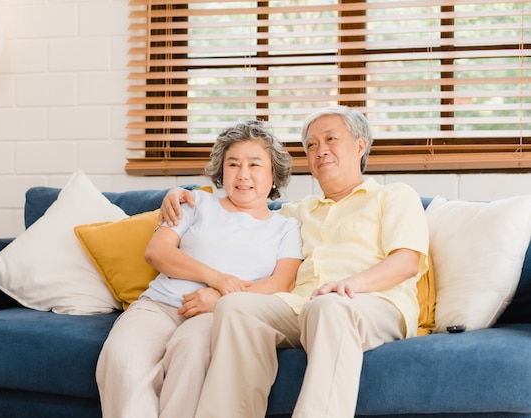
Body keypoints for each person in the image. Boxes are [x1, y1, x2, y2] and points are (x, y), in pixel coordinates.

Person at [160, 105, 430, 418]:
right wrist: (184, 193)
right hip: (300, 306)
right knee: (235, 307)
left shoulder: (394, 196)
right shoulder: (295, 212)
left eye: (331, 139)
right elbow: (238, 211)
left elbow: (407, 261)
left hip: (371, 303)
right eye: (312, 145)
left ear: (360, 145)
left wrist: (350, 284)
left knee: (329, 306)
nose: (320, 150)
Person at [95, 119, 303, 418]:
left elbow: (281, 282)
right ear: (222, 171)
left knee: (190, 359)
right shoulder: (195, 202)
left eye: (254, 165)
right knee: (121, 357)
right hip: (160, 306)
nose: (243, 175)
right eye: (233, 164)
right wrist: (217, 279)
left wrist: (221, 299)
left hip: (217, 315)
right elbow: (157, 252)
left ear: (274, 174)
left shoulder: (286, 227)